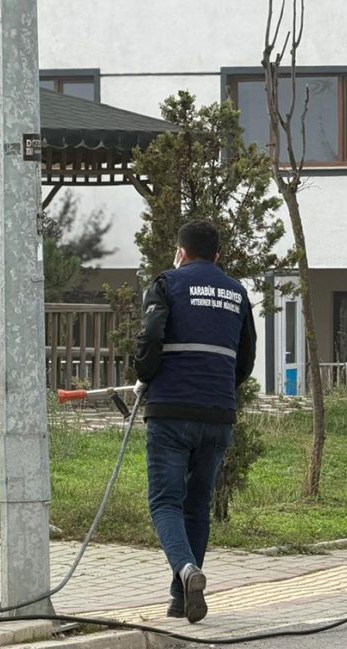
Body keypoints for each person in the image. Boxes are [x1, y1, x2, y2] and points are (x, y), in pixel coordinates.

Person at [133, 221, 256, 623]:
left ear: (181, 251)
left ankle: (187, 572)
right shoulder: (238, 293)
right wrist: (220, 387)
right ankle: (179, 599)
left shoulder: (166, 284)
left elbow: (151, 335)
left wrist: (145, 374)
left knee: (165, 501)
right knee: (197, 505)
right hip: (217, 414)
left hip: (171, 411)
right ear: (218, 255)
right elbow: (246, 360)